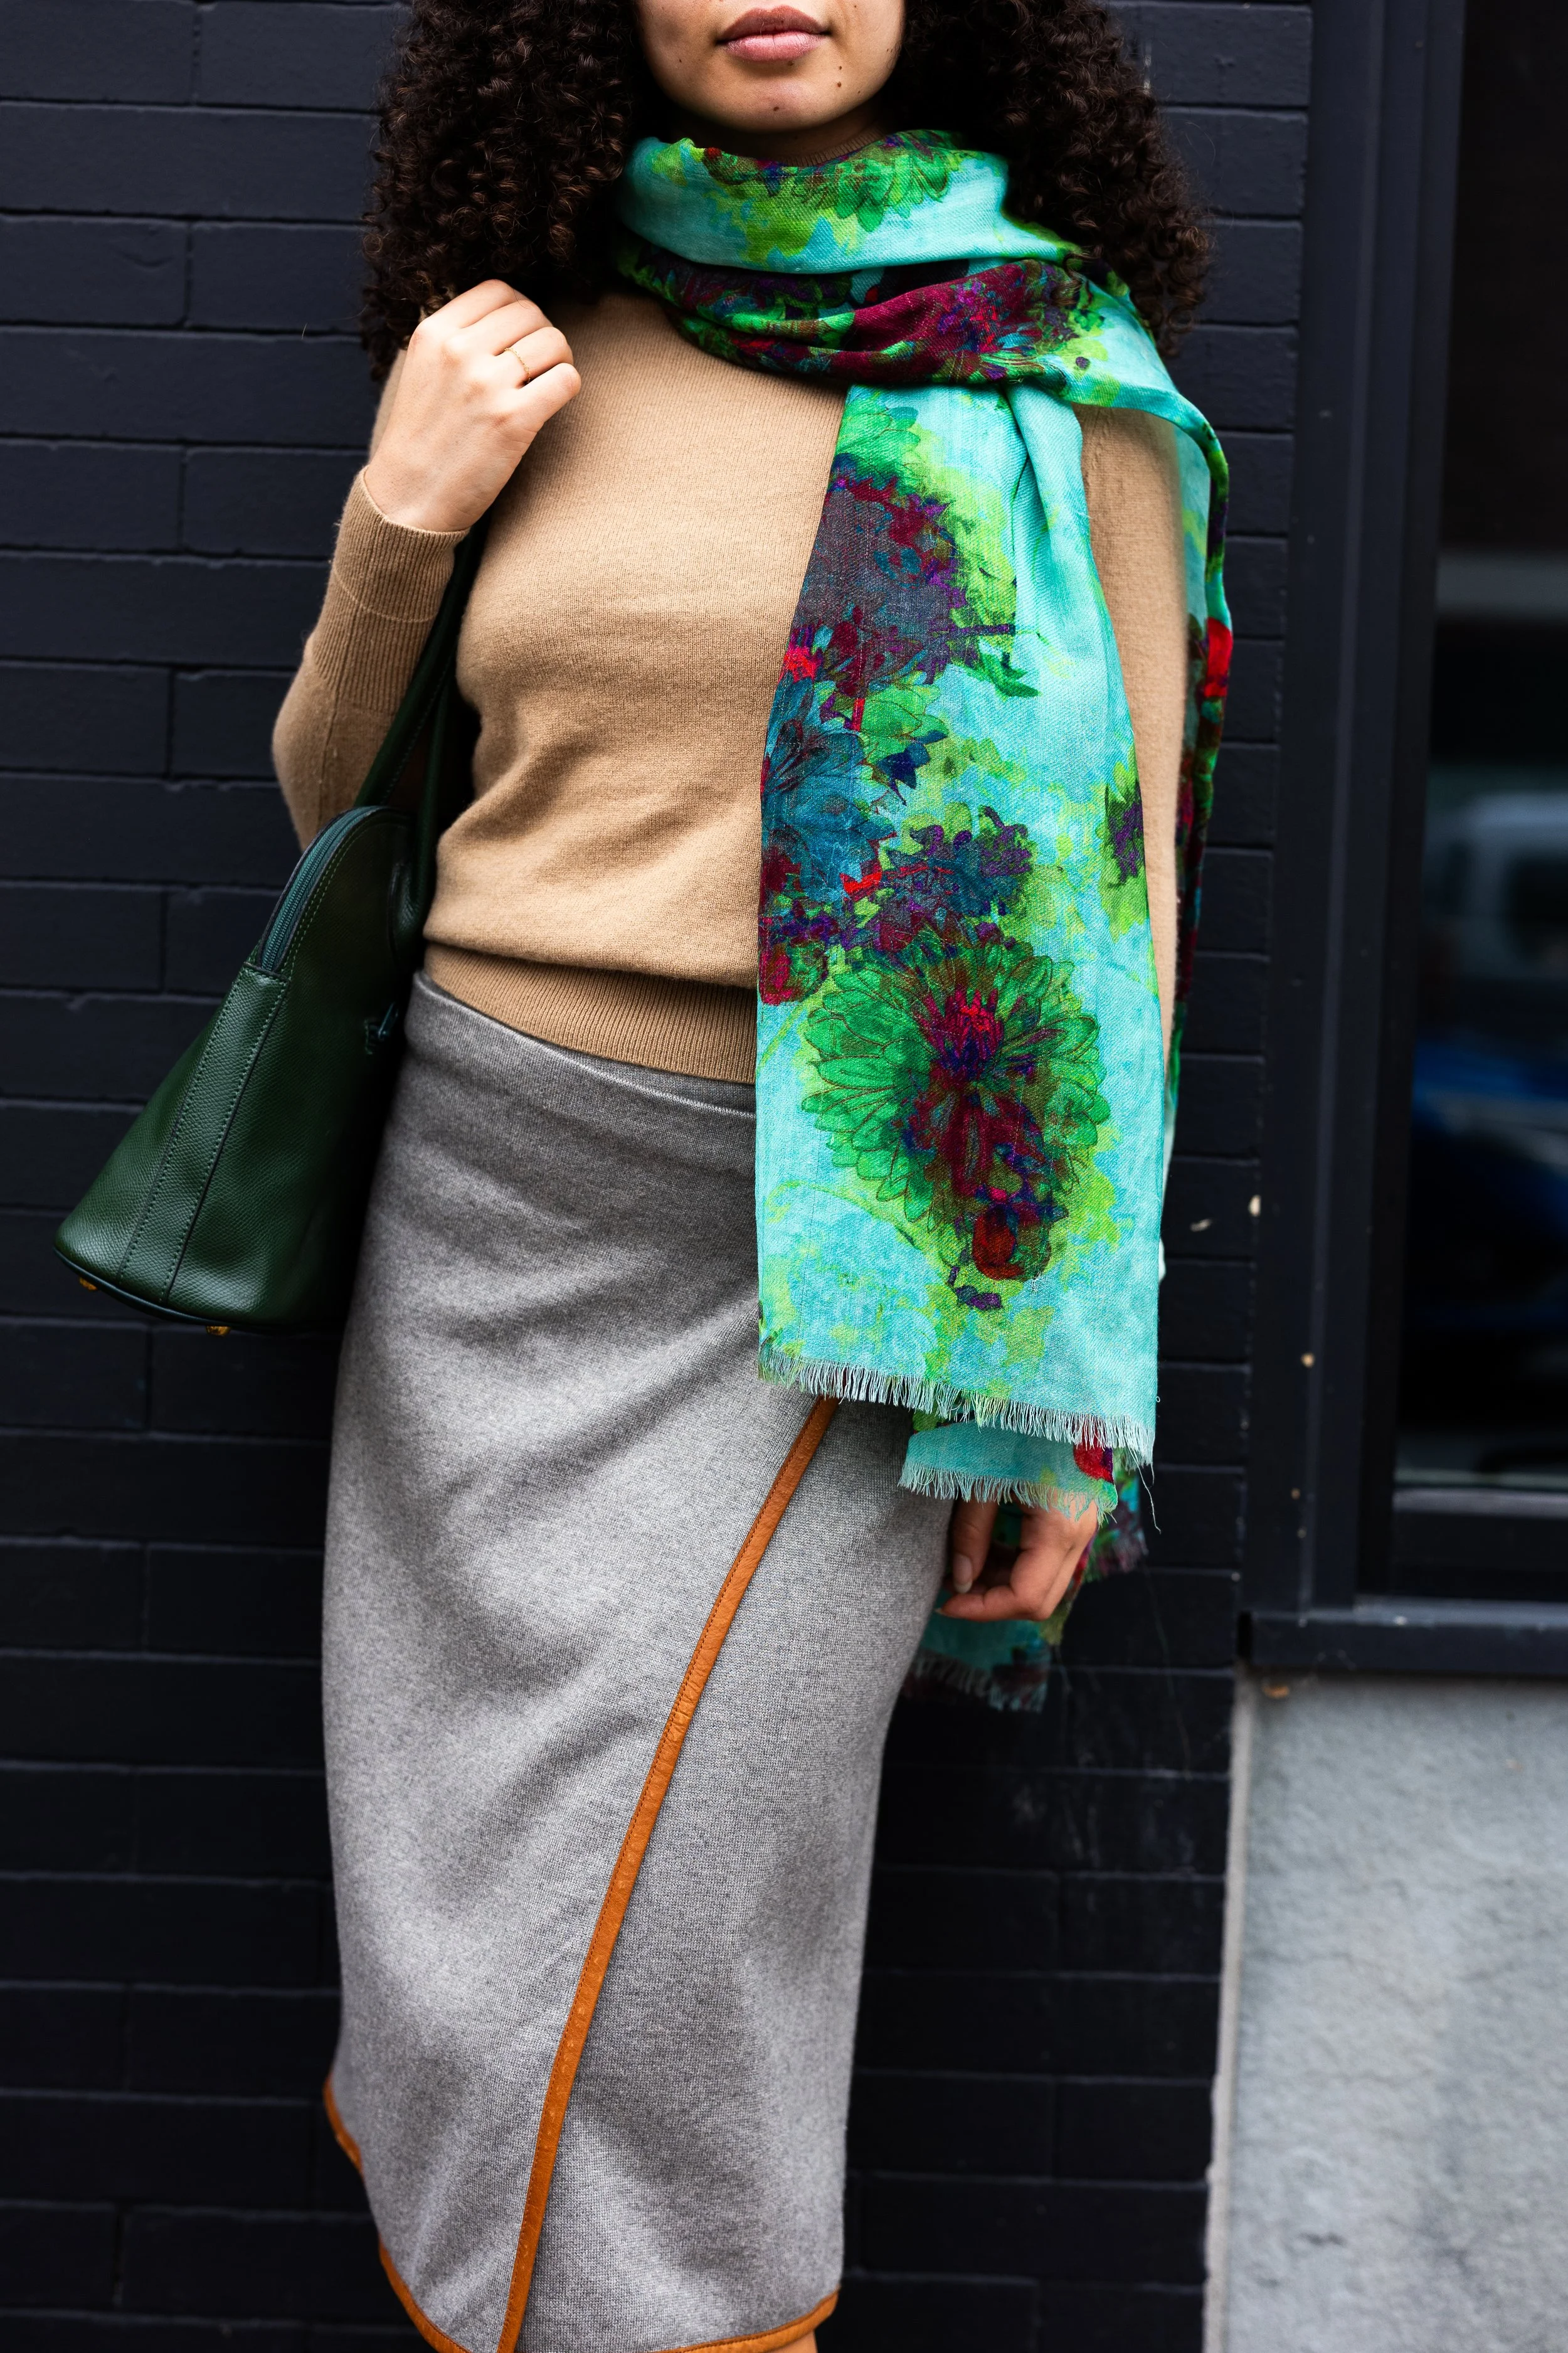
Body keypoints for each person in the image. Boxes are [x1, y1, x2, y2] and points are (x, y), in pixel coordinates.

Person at [272, 3, 1227, 2347]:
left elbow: (1123, 920)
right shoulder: (522, 340)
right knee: (476, 1945)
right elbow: (340, 812)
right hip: (485, 1214)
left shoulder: (1050, 364)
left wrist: (1069, 1400)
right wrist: (404, 503)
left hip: (850, 1251)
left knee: (651, 1966)